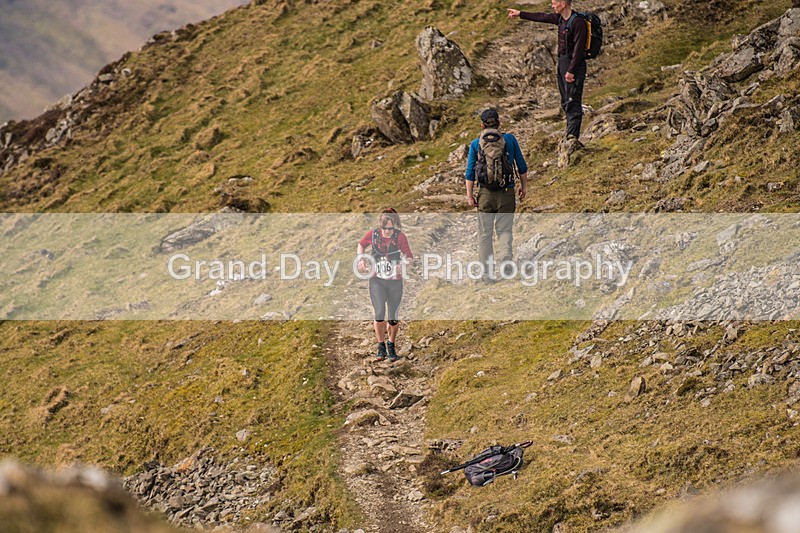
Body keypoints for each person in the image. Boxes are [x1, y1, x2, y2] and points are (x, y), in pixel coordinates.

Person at [508, 1, 588, 148]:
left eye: (554, 3)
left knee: (573, 101)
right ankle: (570, 136)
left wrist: (571, 70)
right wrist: (521, 14)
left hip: (573, 65)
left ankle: (572, 139)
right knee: (565, 101)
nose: (552, 6)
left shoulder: (578, 22)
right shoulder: (559, 19)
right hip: (562, 62)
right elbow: (541, 17)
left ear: (563, 3)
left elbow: (578, 49)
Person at [465, 108, 528, 282]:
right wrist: (523, 187)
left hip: (485, 194)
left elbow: (470, 172)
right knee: (504, 229)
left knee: (485, 234)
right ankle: (506, 257)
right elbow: (521, 166)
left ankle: (487, 275)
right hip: (506, 191)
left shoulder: (476, 143)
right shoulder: (509, 140)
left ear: (482, 125)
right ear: (499, 123)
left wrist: (470, 196)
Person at [356, 208, 413, 362]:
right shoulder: (373, 235)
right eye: (385, 228)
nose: (388, 232)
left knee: (393, 317)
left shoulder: (400, 237)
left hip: (395, 281)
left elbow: (409, 256)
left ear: (395, 226)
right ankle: (380, 346)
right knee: (380, 312)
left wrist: (403, 264)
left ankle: (391, 345)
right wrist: (360, 260)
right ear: (380, 226)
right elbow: (361, 245)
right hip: (377, 280)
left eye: (391, 228)